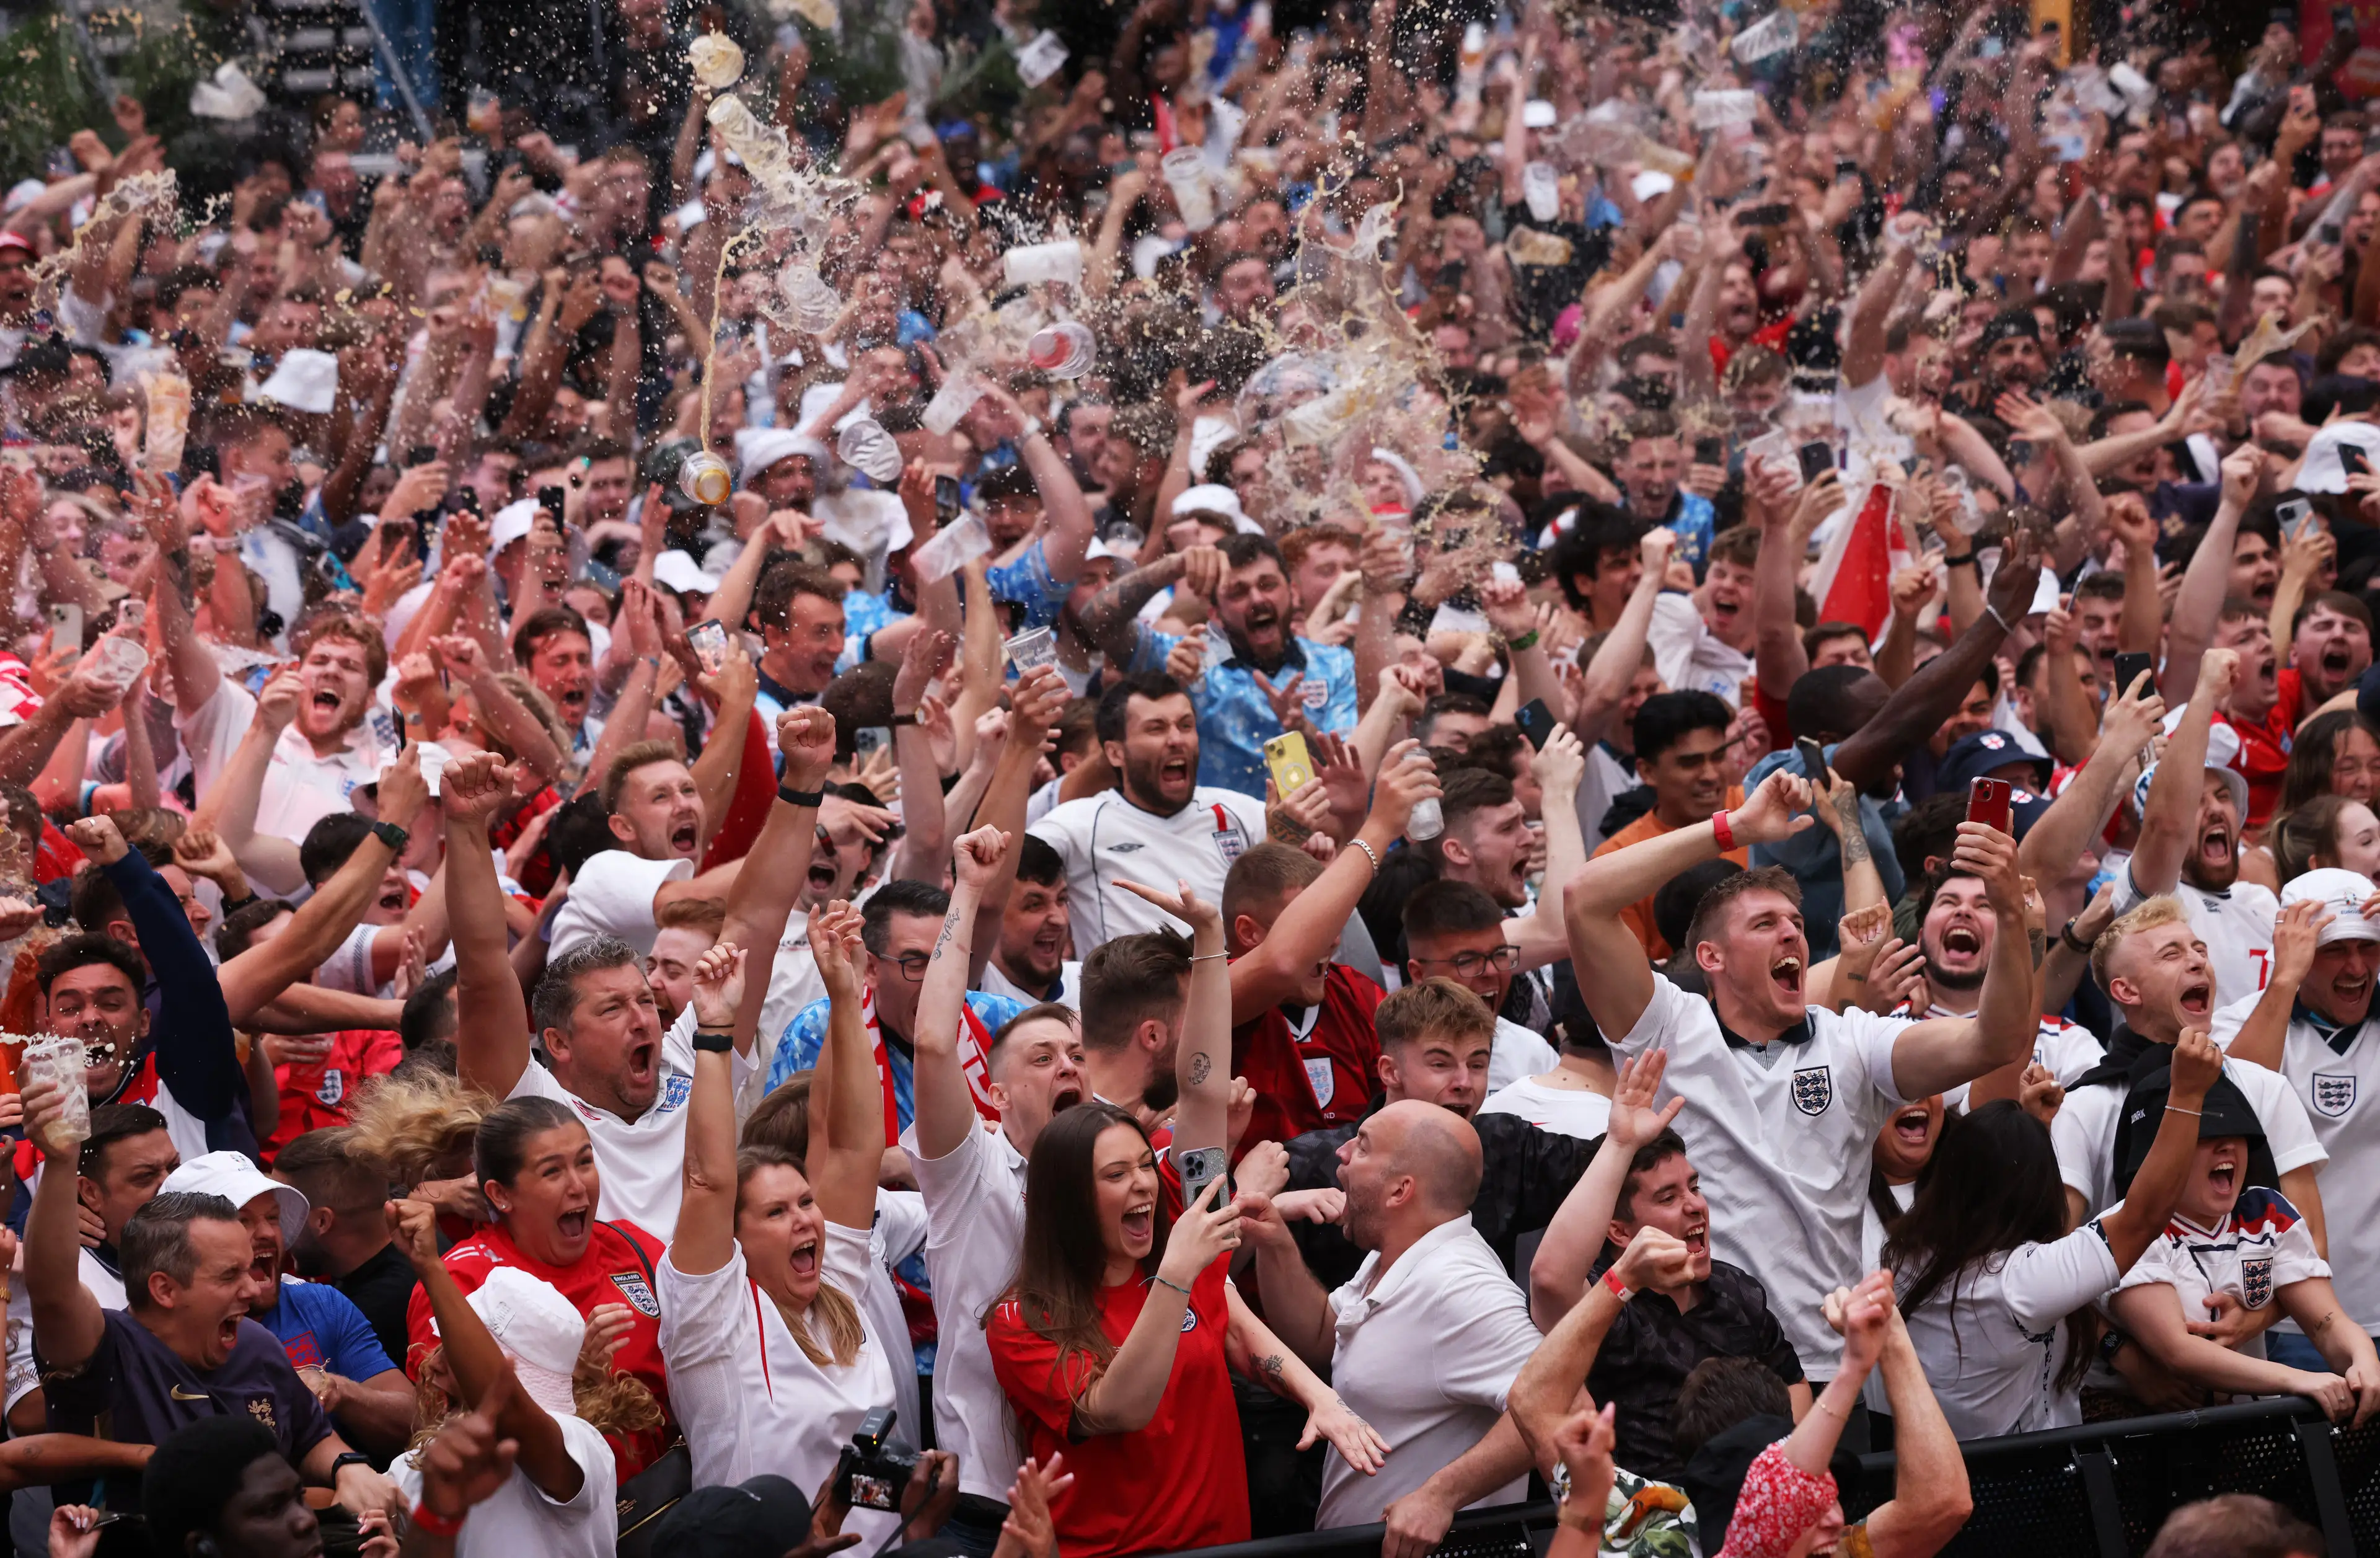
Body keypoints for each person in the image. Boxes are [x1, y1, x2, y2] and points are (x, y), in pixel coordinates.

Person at [1566, 768, 2044, 1384]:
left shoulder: (1853, 1040)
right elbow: (1584, 898)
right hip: (1696, 1366)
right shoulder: (1668, 1027)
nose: (1791, 930)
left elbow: (1996, 1039)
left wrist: (2008, 910)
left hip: (1828, 1363)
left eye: (1794, 921)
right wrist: (1732, 827)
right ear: (1710, 957)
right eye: (1764, 923)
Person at [984, 1103, 1377, 1557]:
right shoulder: (1021, 1318)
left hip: (1223, 1546)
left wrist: (1319, 1396)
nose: (1144, 1182)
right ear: (1067, 1199)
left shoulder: (1184, 1266)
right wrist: (1174, 1277)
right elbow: (1118, 1410)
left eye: (1146, 1164)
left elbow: (1237, 1331)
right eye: (1116, 1174)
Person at [20, 1074, 400, 1523]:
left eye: (272, 1221)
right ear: (164, 1288)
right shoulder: (109, 1352)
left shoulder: (257, 1344)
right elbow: (52, 1290)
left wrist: (347, 1467)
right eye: (228, 1274)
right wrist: (61, 1161)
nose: (250, 1287)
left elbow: (311, 1436)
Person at [658, 916, 921, 1551]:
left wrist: (844, 993)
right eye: (776, 1212)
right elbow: (706, 1180)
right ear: (735, 1239)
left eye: (806, 1201)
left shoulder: (834, 1283)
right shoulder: (713, 1318)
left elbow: (855, 1145)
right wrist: (716, 1033)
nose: (806, 1217)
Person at [1886, 1032, 2223, 1438]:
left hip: (1937, 1470)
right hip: (2023, 1483)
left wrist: (2034, 1131)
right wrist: (2186, 1095)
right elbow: (2143, 1217)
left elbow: (2026, 1227)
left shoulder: (1901, 1255)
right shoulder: (2019, 1282)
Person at [1236, 1099, 1541, 1532]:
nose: (1340, 1153)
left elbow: (1557, 1404)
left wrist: (1442, 1494)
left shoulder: (1460, 1284)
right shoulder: (1397, 1255)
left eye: (1362, 1147)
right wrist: (1275, 1243)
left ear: (1400, 1191)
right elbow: (1322, 1335)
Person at [1517, 1054, 1808, 1482]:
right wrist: (1619, 1144)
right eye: (1668, 1198)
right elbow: (1549, 1278)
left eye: (1694, 1186)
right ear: (1618, 1230)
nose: (1695, 1205)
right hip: (1649, 1527)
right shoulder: (1606, 1299)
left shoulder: (1735, 1290)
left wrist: (1774, 1470)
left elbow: (1793, 1382)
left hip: (1747, 1506)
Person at [389, 1202, 621, 1558]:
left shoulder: (584, 1447)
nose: (432, 1365)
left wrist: (432, 1268)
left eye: (455, 1352)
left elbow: (507, 1411)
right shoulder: (421, 1466)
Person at [158, 1150, 413, 1457]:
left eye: (273, 1218)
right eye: (241, 1220)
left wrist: (340, 1391)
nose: (267, 1232)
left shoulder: (320, 1305)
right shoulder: (157, 1332)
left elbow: (415, 1422)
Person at [1026, 673, 1269, 946]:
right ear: (1115, 753)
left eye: (1186, 726)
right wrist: (1016, 751)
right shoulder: (1080, 822)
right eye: (1157, 728)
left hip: (1237, 980)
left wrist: (1305, 832)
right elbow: (1001, 869)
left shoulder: (1239, 811)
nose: (1177, 739)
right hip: (1133, 986)